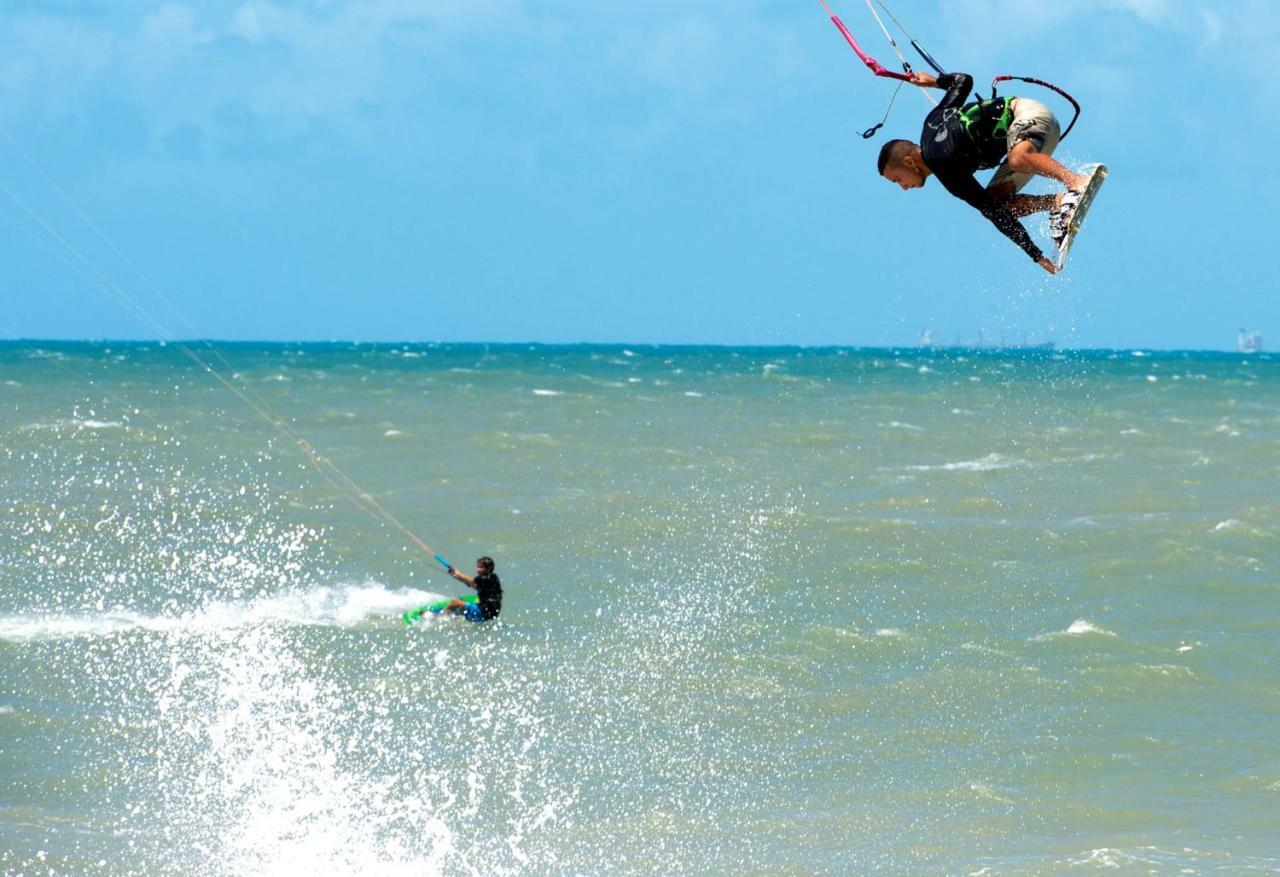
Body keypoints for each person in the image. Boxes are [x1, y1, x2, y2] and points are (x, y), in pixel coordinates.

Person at [877, 71, 1092, 275]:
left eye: (898, 179)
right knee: (998, 201)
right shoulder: (930, 123)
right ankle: (1059, 202)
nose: (903, 187)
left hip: (1027, 116)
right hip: (1033, 140)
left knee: (1017, 159)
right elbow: (963, 80)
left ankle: (1076, 183)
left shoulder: (942, 164)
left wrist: (1037, 258)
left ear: (909, 162)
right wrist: (934, 82)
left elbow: (994, 215)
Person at [440, 556, 503, 622]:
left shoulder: (485, 579)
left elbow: (471, 581)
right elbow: (473, 585)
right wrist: (456, 575)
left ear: (489, 568)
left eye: (481, 567)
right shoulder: (494, 578)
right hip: (491, 614)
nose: (478, 569)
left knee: (455, 602)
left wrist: (458, 573)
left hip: (482, 613)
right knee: (462, 602)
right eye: (478, 567)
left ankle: (439, 617)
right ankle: (457, 617)